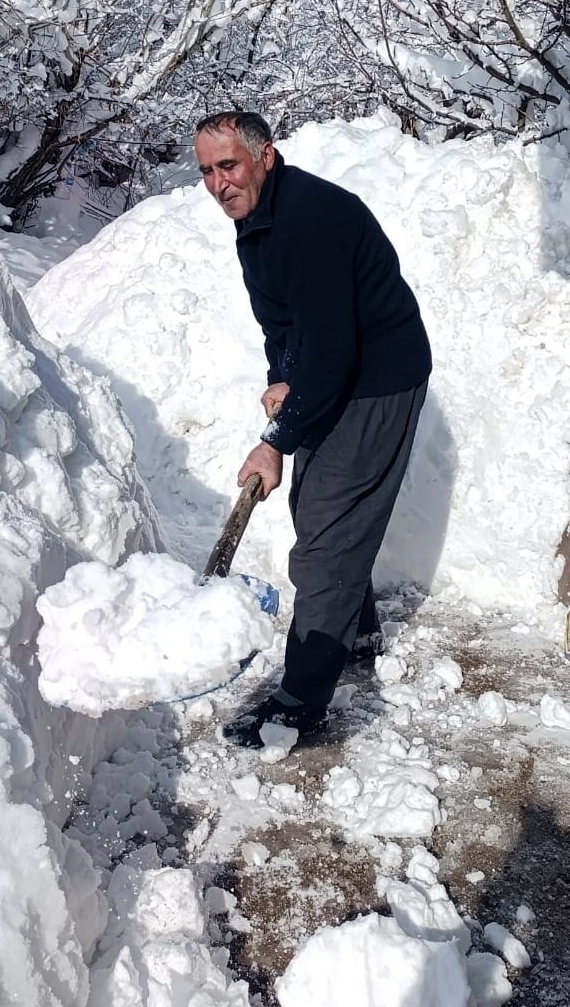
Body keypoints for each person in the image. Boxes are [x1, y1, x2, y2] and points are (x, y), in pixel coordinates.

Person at [194, 109, 431, 746]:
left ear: (264, 156)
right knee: (318, 510)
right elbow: (283, 324)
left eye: (228, 165)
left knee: (325, 537)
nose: (218, 184)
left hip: (377, 378)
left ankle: (299, 707)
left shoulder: (311, 222)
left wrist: (276, 441)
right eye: (206, 171)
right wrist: (283, 380)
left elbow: (331, 352)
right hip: (339, 370)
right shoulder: (258, 220)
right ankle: (356, 634)